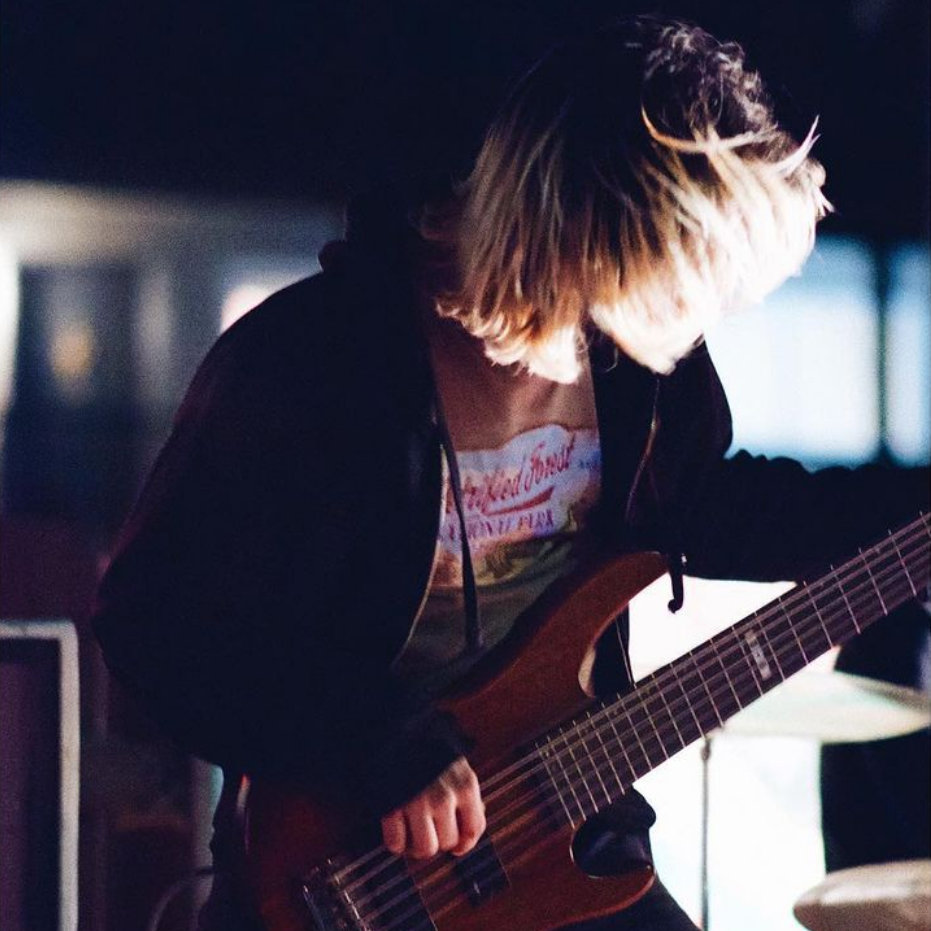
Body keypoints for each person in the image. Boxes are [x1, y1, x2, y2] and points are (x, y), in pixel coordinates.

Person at [91, 15, 928, 931]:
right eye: (690, 273)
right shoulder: (310, 364)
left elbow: (712, 506)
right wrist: (372, 743)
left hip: (561, 832)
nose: (705, 312)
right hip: (347, 866)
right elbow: (152, 620)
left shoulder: (637, 372)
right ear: (605, 233)